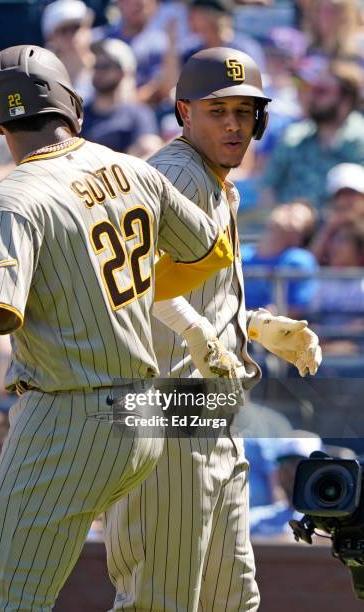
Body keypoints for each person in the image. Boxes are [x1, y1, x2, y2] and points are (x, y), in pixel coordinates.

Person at [0, 45, 235, 610]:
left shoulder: (12, 200)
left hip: (73, 412)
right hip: (138, 414)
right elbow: (209, 251)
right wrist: (129, 296)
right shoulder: (129, 169)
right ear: (74, 106)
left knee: (6, 600)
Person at [104, 47, 322, 611]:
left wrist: (252, 324)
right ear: (184, 111)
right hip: (169, 415)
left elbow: (189, 285)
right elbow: (123, 281)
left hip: (210, 417)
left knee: (231, 600)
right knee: (159, 601)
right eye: (217, 110)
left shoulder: (212, 179)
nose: (233, 124)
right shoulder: (177, 175)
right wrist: (195, 325)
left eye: (244, 112)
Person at [263, 57, 364, 208]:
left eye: (322, 91)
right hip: (291, 226)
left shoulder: (360, 141)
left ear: (346, 99)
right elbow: (268, 188)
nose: (313, 97)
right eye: (313, 90)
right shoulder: (294, 136)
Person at [81, 38, 158, 153]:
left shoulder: (138, 114)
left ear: (123, 72)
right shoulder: (79, 115)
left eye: (105, 66)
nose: (98, 71)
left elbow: (149, 150)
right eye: (96, 66)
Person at [241, 202, 318, 314]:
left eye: (294, 215)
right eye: (287, 208)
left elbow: (296, 310)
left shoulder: (299, 261)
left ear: (300, 235)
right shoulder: (240, 252)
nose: (285, 212)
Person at [250, 433, 323, 537]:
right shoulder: (254, 520)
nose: (293, 472)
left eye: (301, 463)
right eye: (286, 462)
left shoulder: (333, 522)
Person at [41, 0, 96, 100]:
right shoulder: (42, 77)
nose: (72, 35)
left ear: (88, 28)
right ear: (50, 37)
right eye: (64, 30)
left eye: (76, 27)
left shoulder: (106, 67)